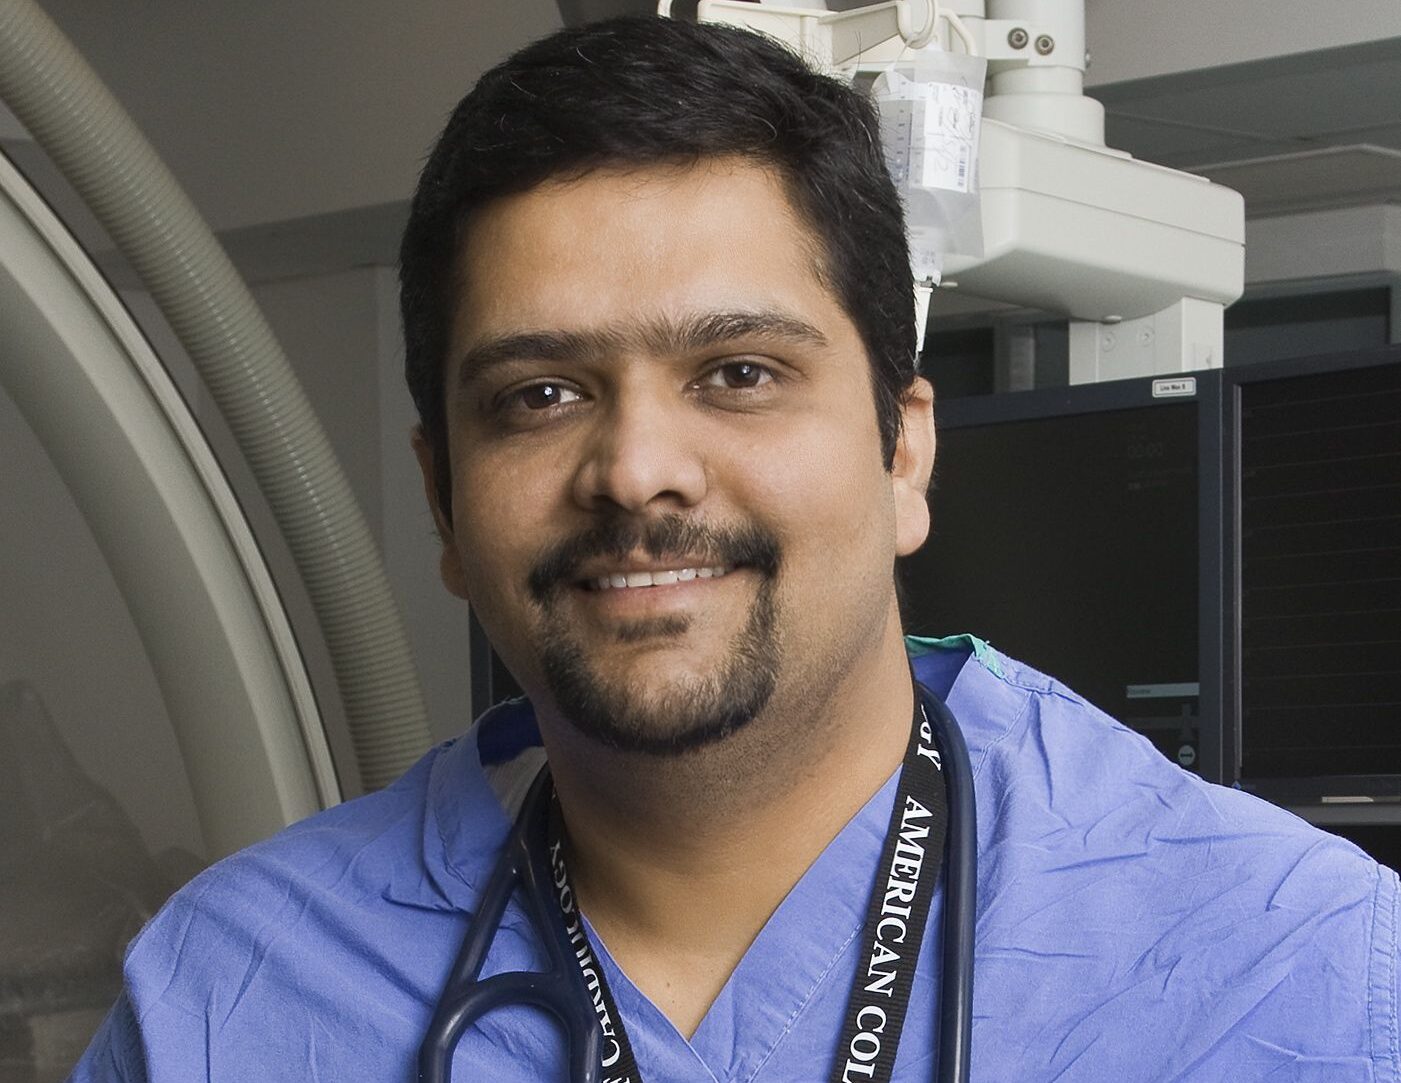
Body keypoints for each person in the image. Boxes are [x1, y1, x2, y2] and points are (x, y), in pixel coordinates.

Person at [72, 15, 1398, 1083]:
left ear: (902, 452)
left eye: (740, 372)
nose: (635, 469)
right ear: (443, 502)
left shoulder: (1286, 964)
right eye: (540, 394)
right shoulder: (230, 994)